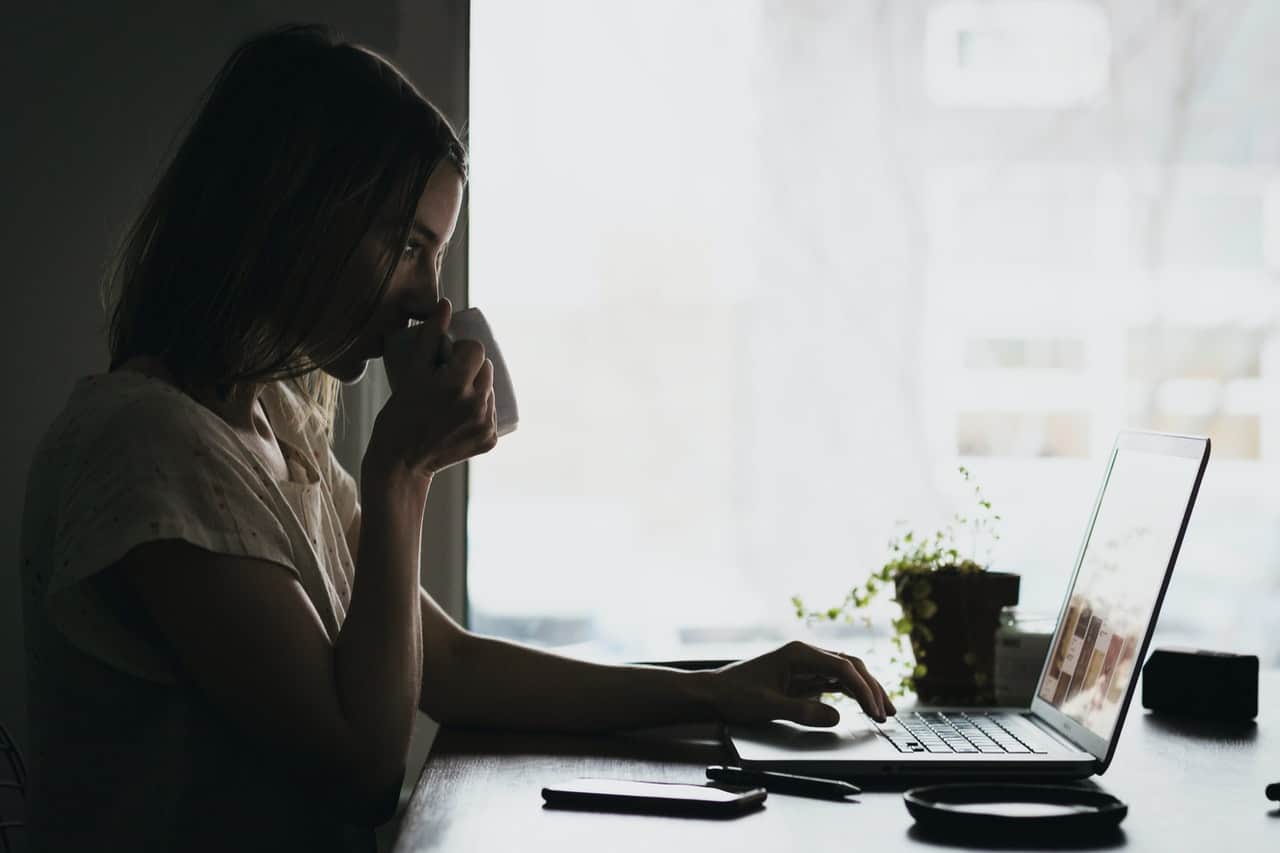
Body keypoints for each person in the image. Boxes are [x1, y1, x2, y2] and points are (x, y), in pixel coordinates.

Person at [18, 23, 895, 852]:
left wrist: (722, 689)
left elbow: (448, 663)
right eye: (408, 246)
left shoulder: (272, 429)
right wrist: (402, 469)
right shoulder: (149, 446)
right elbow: (359, 764)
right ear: (294, 214)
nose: (428, 300)